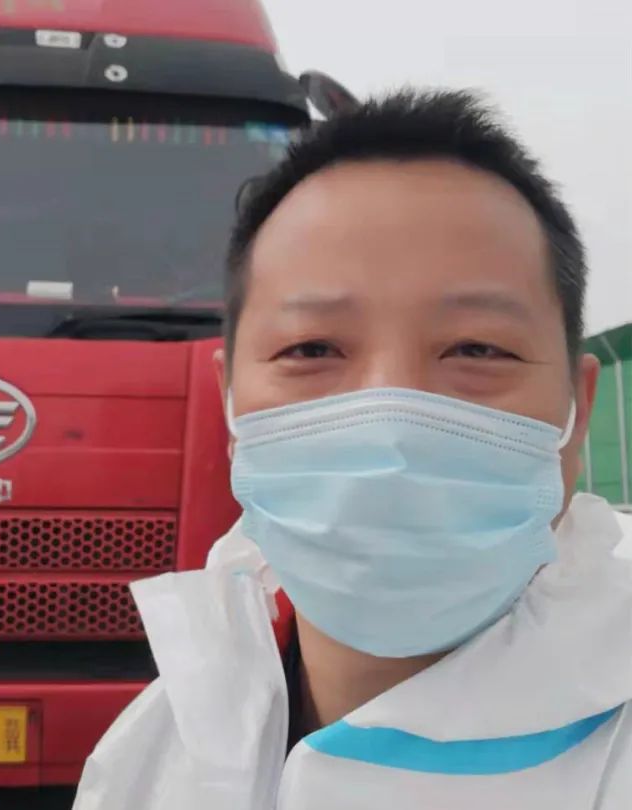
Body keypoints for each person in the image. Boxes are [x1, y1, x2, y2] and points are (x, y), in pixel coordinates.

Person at [73, 90, 632, 809]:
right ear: (230, 405)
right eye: (312, 349)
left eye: (477, 349)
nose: (390, 422)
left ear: (577, 412)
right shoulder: (154, 747)